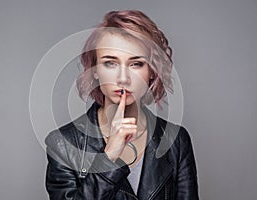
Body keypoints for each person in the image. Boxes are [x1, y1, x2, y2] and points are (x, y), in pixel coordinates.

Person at [45, 10, 199, 199]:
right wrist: (108, 157)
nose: (123, 78)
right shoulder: (63, 145)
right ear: (95, 71)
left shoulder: (176, 141)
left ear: (152, 71)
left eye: (136, 64)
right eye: (110, 63)